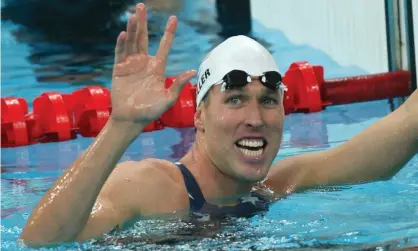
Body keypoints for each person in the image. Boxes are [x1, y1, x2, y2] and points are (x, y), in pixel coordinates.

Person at [19, 2, 418, 248]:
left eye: (267, 102)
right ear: (198, 116)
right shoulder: (151, 186)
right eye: (235, 100)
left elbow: (404, 126)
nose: (255, 119)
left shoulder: (276, 187)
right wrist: (122, 125)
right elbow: (40, 242)